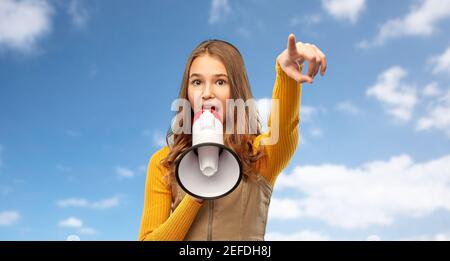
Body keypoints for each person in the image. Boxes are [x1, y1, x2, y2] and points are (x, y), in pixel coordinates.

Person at [139, 34, 327, 240]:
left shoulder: (258, 156)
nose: (206, 93)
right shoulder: (163, 163)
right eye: (197, 82)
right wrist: (195, 193)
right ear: (187, 92)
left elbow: (285, 130)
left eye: (220, 81)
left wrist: (286, 75)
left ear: (236, 91)